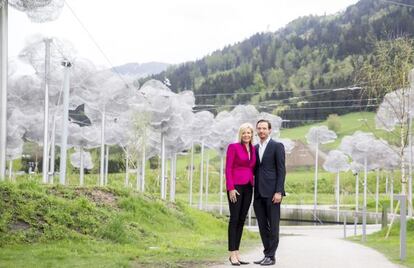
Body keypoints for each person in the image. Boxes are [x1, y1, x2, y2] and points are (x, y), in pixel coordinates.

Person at [253, 119, 286, 266]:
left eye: (264, 128)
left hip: (273, 193)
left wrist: (279, 191)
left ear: (270, 130)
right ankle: (267, 254)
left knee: (273, 226)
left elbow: (281, 170)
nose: (261, 131)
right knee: (261, 225)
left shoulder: (277, 146)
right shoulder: (254, 148)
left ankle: (271, 256)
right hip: (258, 193)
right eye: (259, 128)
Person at [225, 123, 256, 266]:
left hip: (249, 187)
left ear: (252, 134)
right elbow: (228, 168)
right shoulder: (233, 147)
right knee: (234, 219)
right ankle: (232, 253)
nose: (246, 135)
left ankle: (237, 253)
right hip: (236, 187)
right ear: (240, 134)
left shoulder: (253, 149)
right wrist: (230, 188)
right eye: (244, 132)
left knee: (242, 220)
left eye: (249, 133)